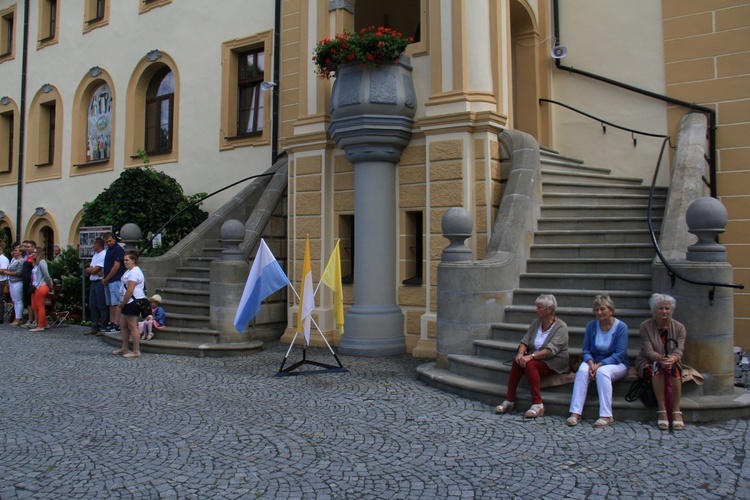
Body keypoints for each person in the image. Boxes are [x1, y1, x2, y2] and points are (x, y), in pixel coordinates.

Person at [494, 294, 569, 418]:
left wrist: (531, 356)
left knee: (529, 364)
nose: (536, 310)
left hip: (553, 361)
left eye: (539, 307)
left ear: (549, 309)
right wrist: (520, 354)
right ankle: (509, 400)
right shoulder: (536, 323)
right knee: (517, 362)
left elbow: (550, 351)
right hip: (535, 358)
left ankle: (537, 404)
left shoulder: (561, 327)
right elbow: (525, 341)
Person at [567, 295, 630, 427]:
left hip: (616, 363)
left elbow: (619, 354)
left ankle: (606, 415)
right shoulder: (591, 326)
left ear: (611, 310)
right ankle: (575, 413)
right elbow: (586, 350)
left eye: (602, 309)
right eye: (596, 310)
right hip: (593, 360)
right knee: (582, 371)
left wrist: (599, 365)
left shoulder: (621, 327)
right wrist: (591, 363)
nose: (599, 313)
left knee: (602, 373)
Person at [635, 293, 686, 431]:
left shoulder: (679, 327)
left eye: (667, 308)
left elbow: (679, 350)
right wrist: (660, 358)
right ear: (654, 310)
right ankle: (662, 409)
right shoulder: (645, 326)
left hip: (672, 361)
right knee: (658, 366)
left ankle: (676, 410)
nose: (664, 311)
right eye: (660, 308)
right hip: (649, 361)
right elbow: (647, 350)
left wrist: (672, 359)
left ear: (672, 310)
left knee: (674, 367)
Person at [114, 250, 146, 358]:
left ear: (133, 261)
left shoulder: (134, 272)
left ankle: (136, 351)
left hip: (133, 301)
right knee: (123, 325)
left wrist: (123, 303)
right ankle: (125, 347)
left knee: (133, 326)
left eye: (127, 260)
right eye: (124, 260)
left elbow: (130, 291)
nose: (125, 262)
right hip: (127, 301)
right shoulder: (128, 271)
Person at [101, 232, 125, 333]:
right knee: (111, 303)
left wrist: (107, 278)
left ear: (114, 239)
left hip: (115, 279)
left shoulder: (118, 249)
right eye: (106, 242)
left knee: (116, 303)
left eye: (110, 241)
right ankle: (112, 322)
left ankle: (117, 323)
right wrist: (104, 277)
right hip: (108, 280)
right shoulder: (108, 249)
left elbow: (116, 266)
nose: (108, 243)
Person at [84, 237, 108, 336]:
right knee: (92, 305)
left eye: (94, 244)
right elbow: (88, 269)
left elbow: (93, 270)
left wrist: (92, 270)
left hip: (99, 282)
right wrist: (92, 270)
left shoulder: (103, 254)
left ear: (98, 245)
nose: (93, 246)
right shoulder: (95, 256)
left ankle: (103, 326)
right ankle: (94, 326)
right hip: (93, 282)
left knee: (101, 305)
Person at [29, 247, 53, 332]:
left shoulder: (42, 262)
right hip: (36, 286)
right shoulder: (36, 263)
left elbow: (47, 276)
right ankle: (45, 323)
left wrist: (50, 285)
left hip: (41, 286)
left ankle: (41, 325)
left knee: (40, 306)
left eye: (35, 252)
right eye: (33, 252)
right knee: (34, 306)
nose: (33, 254)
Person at [5, 244, 25, 326]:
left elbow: (19, 273)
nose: (14, 252)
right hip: (12, 281)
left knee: (18, 300)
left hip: (17, 282)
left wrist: (8, 273)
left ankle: (18, 318)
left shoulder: (21, 261)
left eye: (16, 250)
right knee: (15, 300)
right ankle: (16, 317)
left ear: (20, 252)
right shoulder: (13, 259)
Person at [20, 241, 37, 328]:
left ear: (34, 247)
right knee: (28, 302)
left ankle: (35, 320)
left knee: (33, 302)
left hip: (31, 283)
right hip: (25, 282)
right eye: (26, 247)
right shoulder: (27, 257)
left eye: (28, 247)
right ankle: (30, 320)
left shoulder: (35, 258)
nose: (27, 249)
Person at [0, 241, 8, 324]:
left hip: (1, 281)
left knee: (0, 299)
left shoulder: (3, 259)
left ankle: (0, 317)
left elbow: (4, 270)